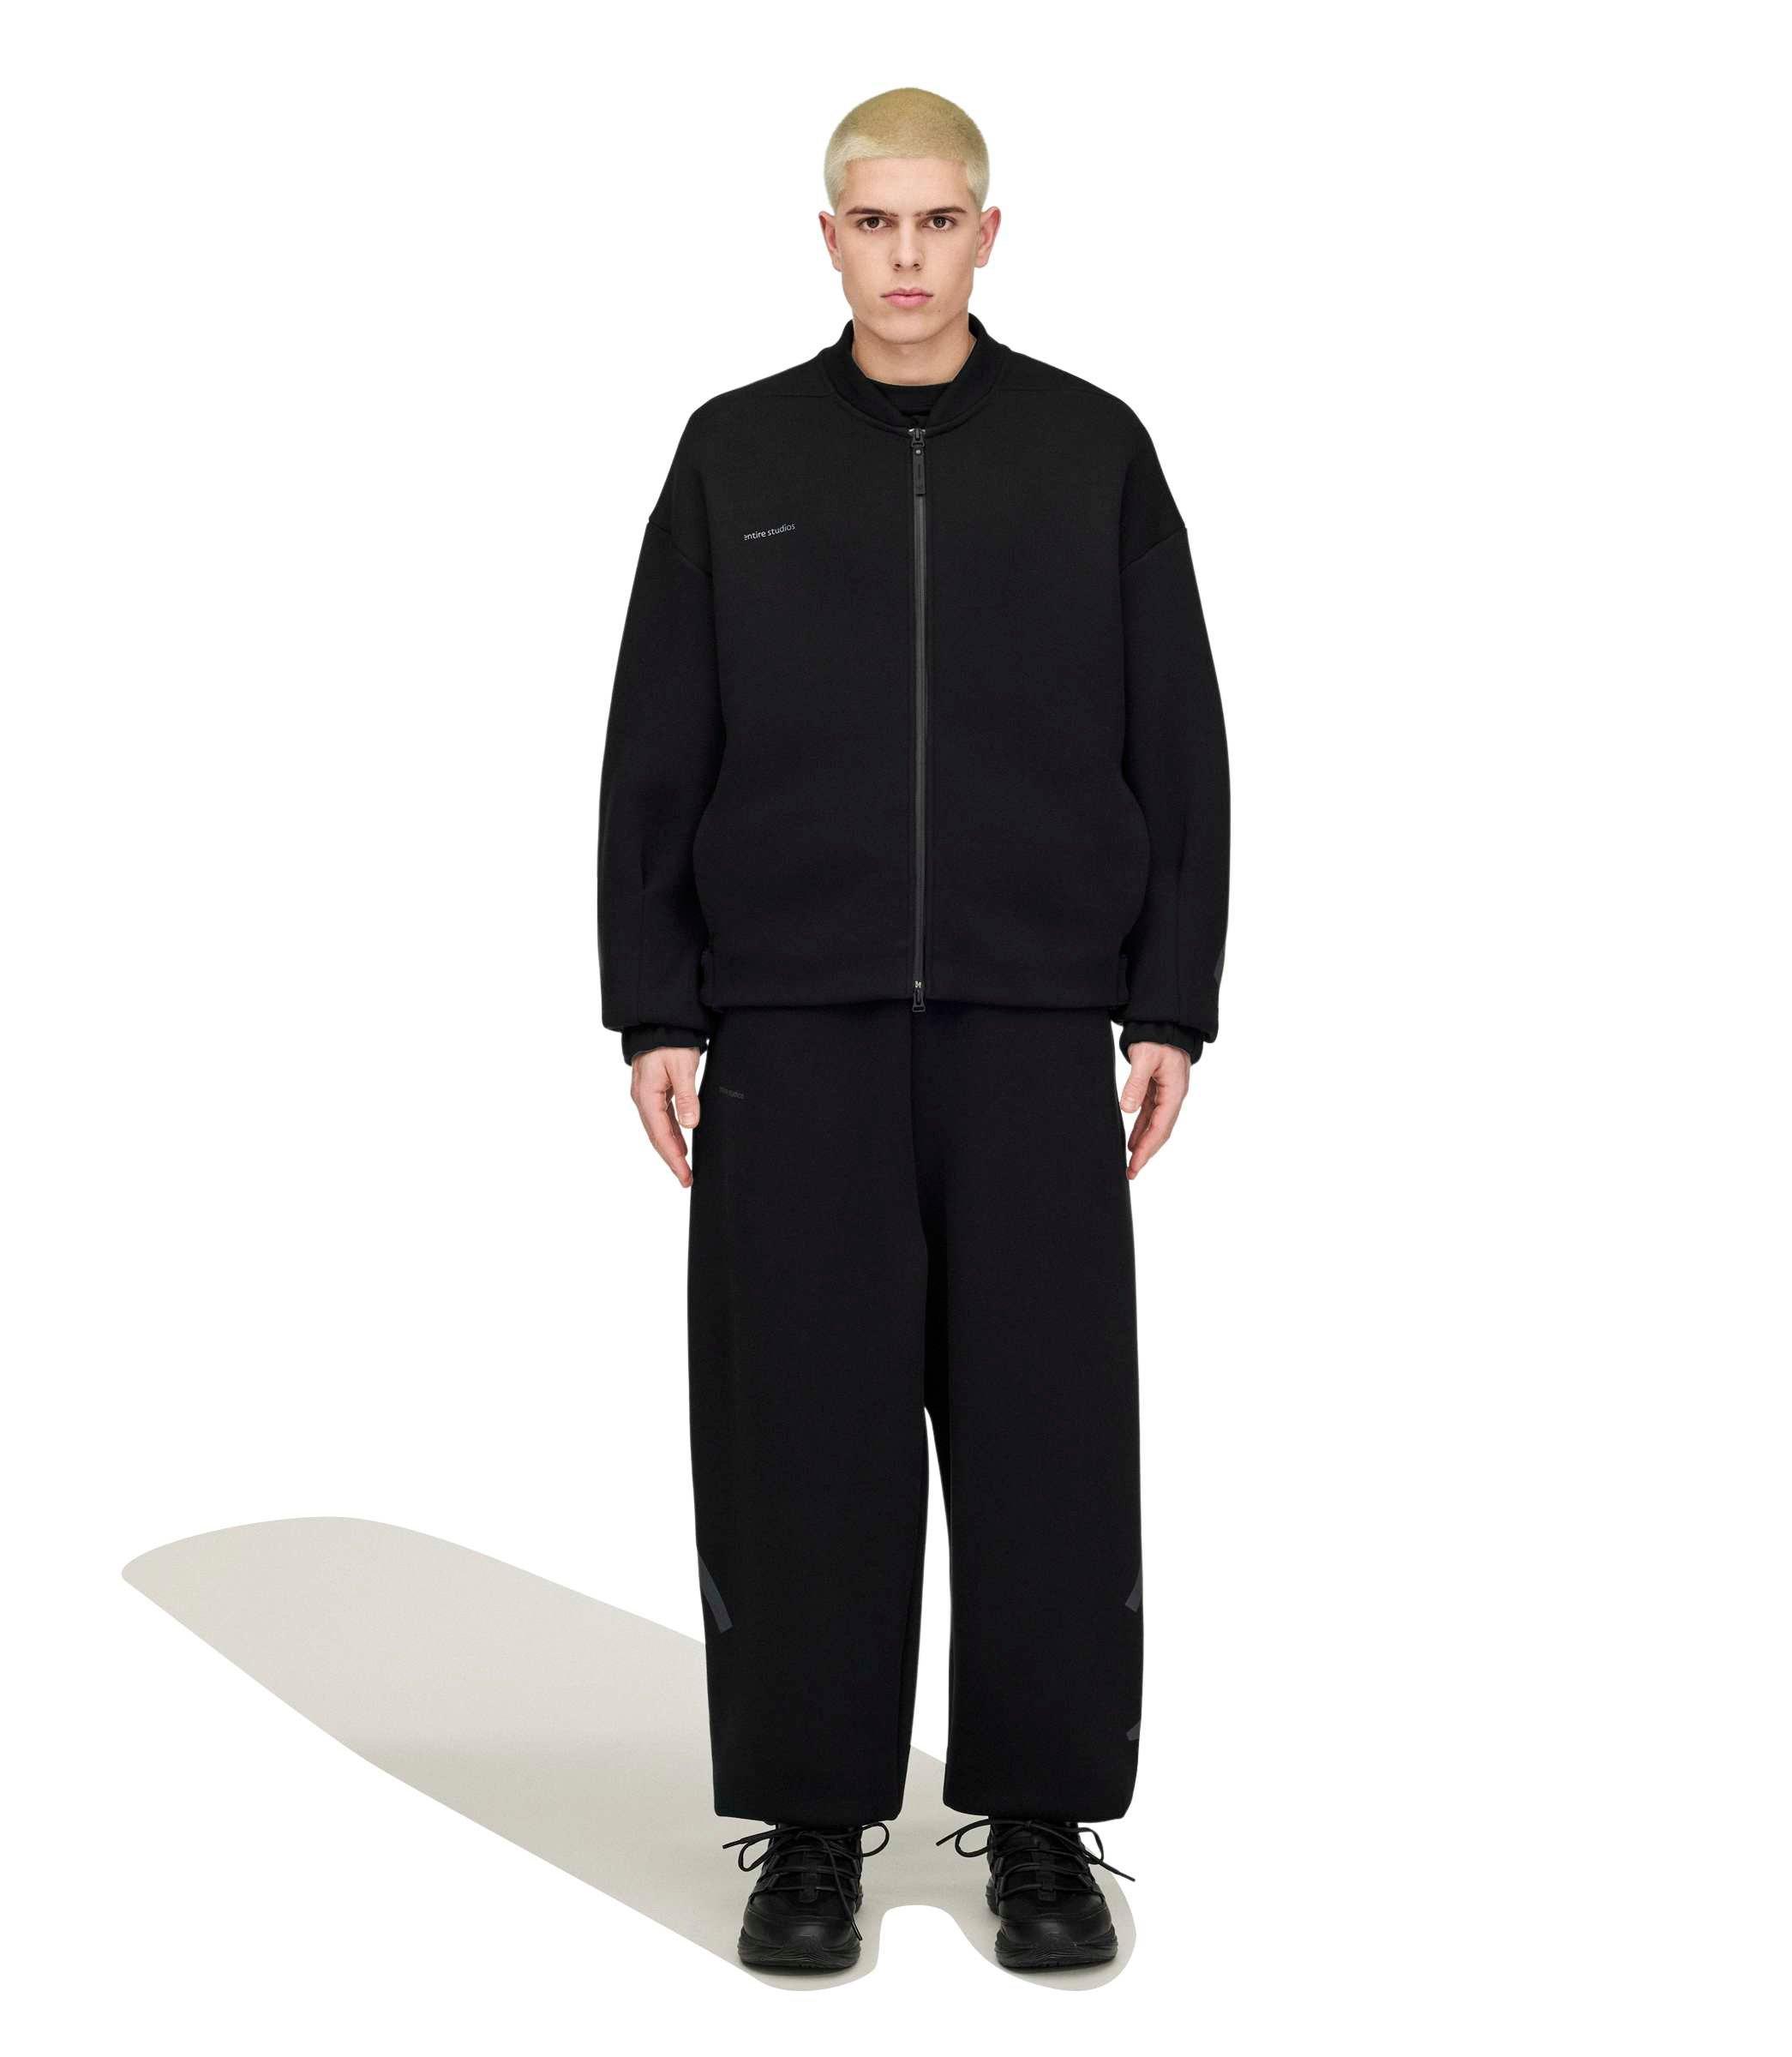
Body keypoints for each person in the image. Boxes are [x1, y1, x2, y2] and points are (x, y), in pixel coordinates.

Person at [596, 85, 1230, 1973]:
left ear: (986, 233)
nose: (904, 255)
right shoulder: (736, 454)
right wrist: (655, 1001)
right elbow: (657, 742)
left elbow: (1179, 738)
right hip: (792, 1028)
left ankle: (1039, 1824)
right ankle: (809, 1829)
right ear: (828, 238)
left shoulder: (1092, 450)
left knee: (1049, 1435)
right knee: (800, 1431)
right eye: (872, 222)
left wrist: (1170, 997)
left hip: (1033, 1025)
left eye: (936, 221)